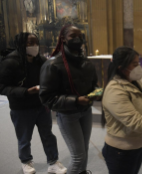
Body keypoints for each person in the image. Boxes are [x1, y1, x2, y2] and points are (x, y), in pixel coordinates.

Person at [0, 32, 67, 174]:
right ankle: (26, 162)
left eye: (36, 42)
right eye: (29, 43)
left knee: (47, 135)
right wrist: (25, 91)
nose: (34, 46)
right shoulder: (10, 62)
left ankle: (53, 162)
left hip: (41, 105)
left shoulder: (41, 60)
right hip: (21, 108)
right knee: (24, 138)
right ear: (21, 44)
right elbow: (2, 87)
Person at [39, 25, 98, 174]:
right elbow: (47, 98)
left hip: (86, 112)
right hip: (67, 115)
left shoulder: (85, 61)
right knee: (78, 158)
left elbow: (93, 85)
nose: (78, 39)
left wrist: (97, 92)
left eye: (80, 36)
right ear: (63, 39)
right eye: (73, 36)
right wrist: (76, 100)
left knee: (84, 153)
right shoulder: (52, 64)